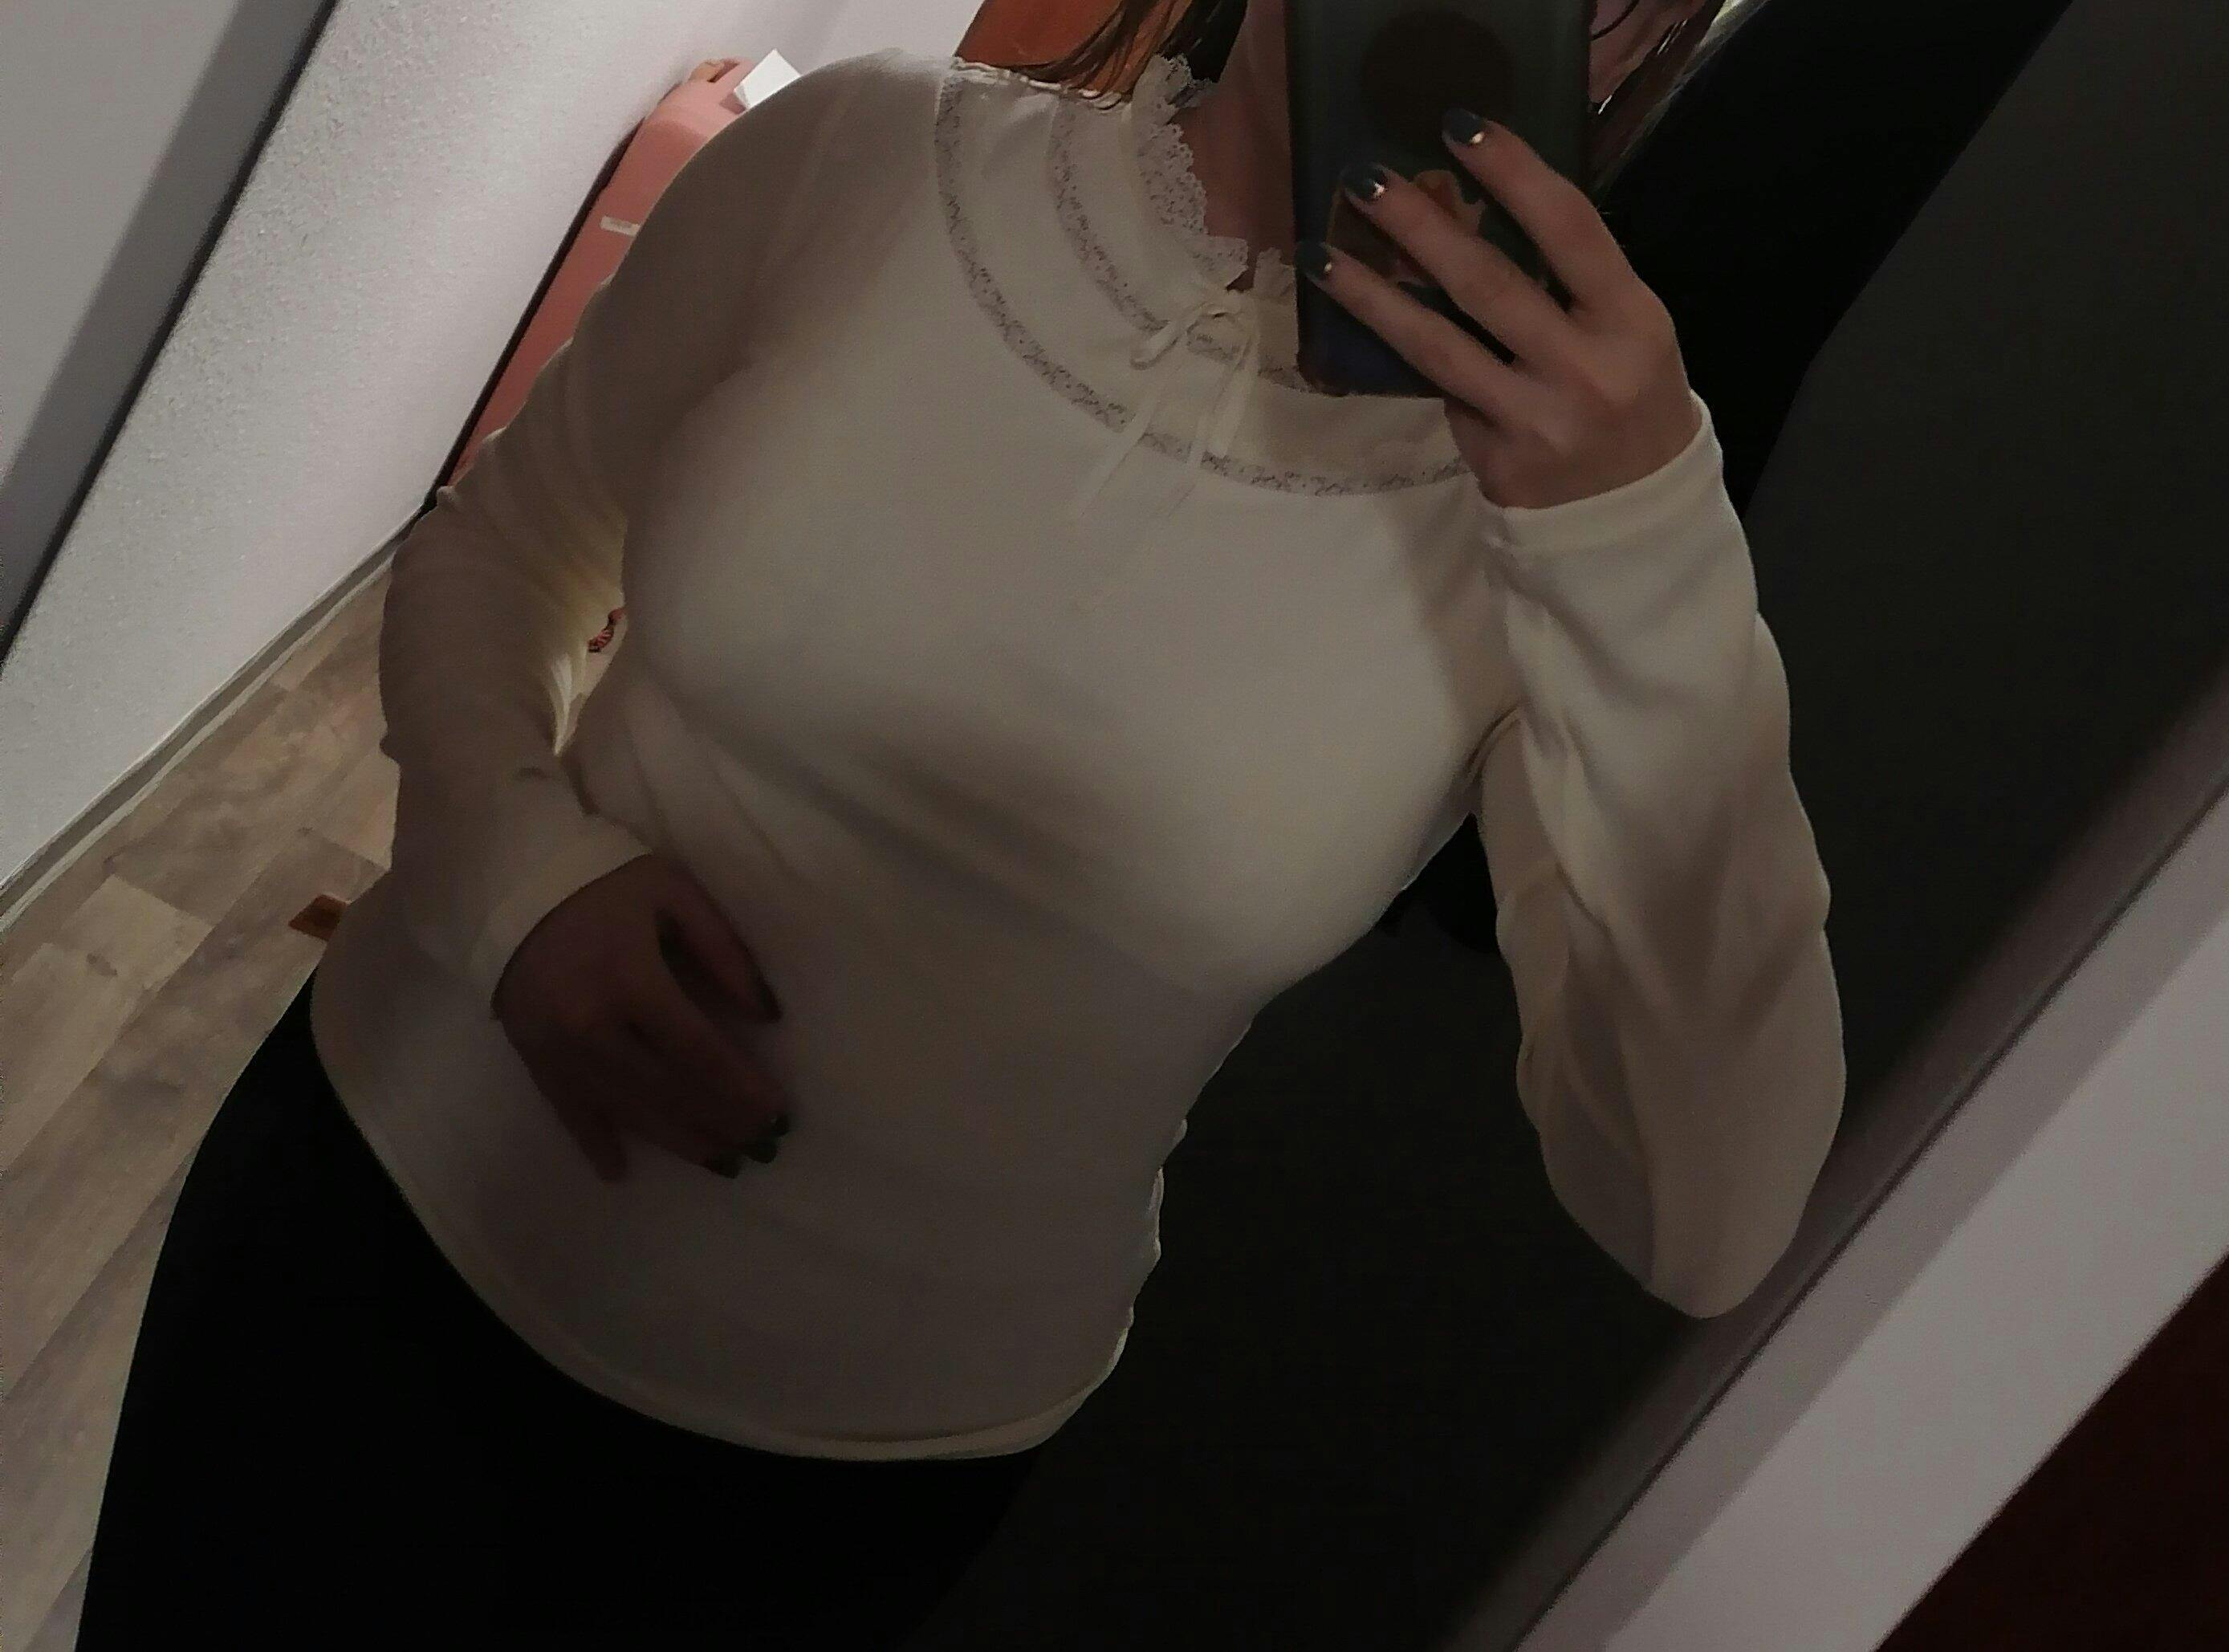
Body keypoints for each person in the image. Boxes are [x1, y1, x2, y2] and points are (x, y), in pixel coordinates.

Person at [76, 2, 1844, 1646]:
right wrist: (513, 885)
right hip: (373, 1211)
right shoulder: (863, 155)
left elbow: (1705, 1214)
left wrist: (1639, 548)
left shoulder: (1583, 532)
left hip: (830, 1491)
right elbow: (504, 551)